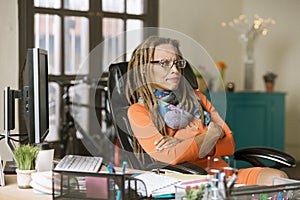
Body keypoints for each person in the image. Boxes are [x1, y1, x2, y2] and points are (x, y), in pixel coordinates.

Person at [125, 36, 288, 185]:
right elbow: (169, 156)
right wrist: (212, 134)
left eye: (177, 63)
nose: (175, 70)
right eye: (164, 63)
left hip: (223, 174)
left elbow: (229, 142)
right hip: (188, 180)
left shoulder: (197, 98)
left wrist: (184, 143)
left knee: (279, 179)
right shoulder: (138, 111)